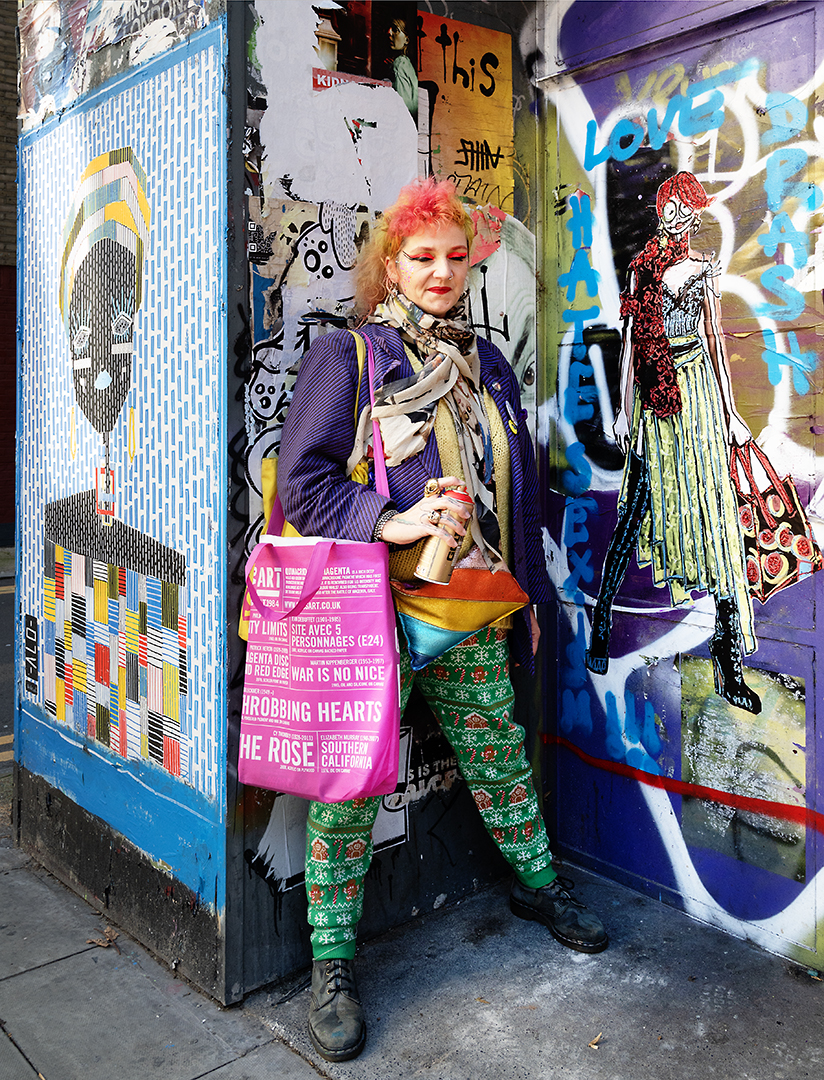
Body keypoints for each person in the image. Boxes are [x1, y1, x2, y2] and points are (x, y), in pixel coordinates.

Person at [278, 178, 608, 1062]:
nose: (441, 273)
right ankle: (332, 962)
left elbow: (523, 486)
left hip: (468, 600)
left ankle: (539, 886)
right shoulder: (349, 356)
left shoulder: (488, 363)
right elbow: (302, 484)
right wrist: (388, 519)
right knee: (351, 784)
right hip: (369, 609)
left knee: (497, 748)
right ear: (390, 264)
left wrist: (529, 595)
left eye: (456, 258)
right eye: (422, 257)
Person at [585, 171, 759, 713]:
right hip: (657, 408)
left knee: (719, 522)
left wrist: (729, 414)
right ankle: (600, 625)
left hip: (700, 399)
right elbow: (633, 341)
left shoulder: (700, 270)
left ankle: (730, 667)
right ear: (662, 210)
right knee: (635, 511)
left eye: (689, 210)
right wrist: (623, 412)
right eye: (673, 207)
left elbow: (714, 342)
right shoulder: (643, 271)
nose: (679, 216)